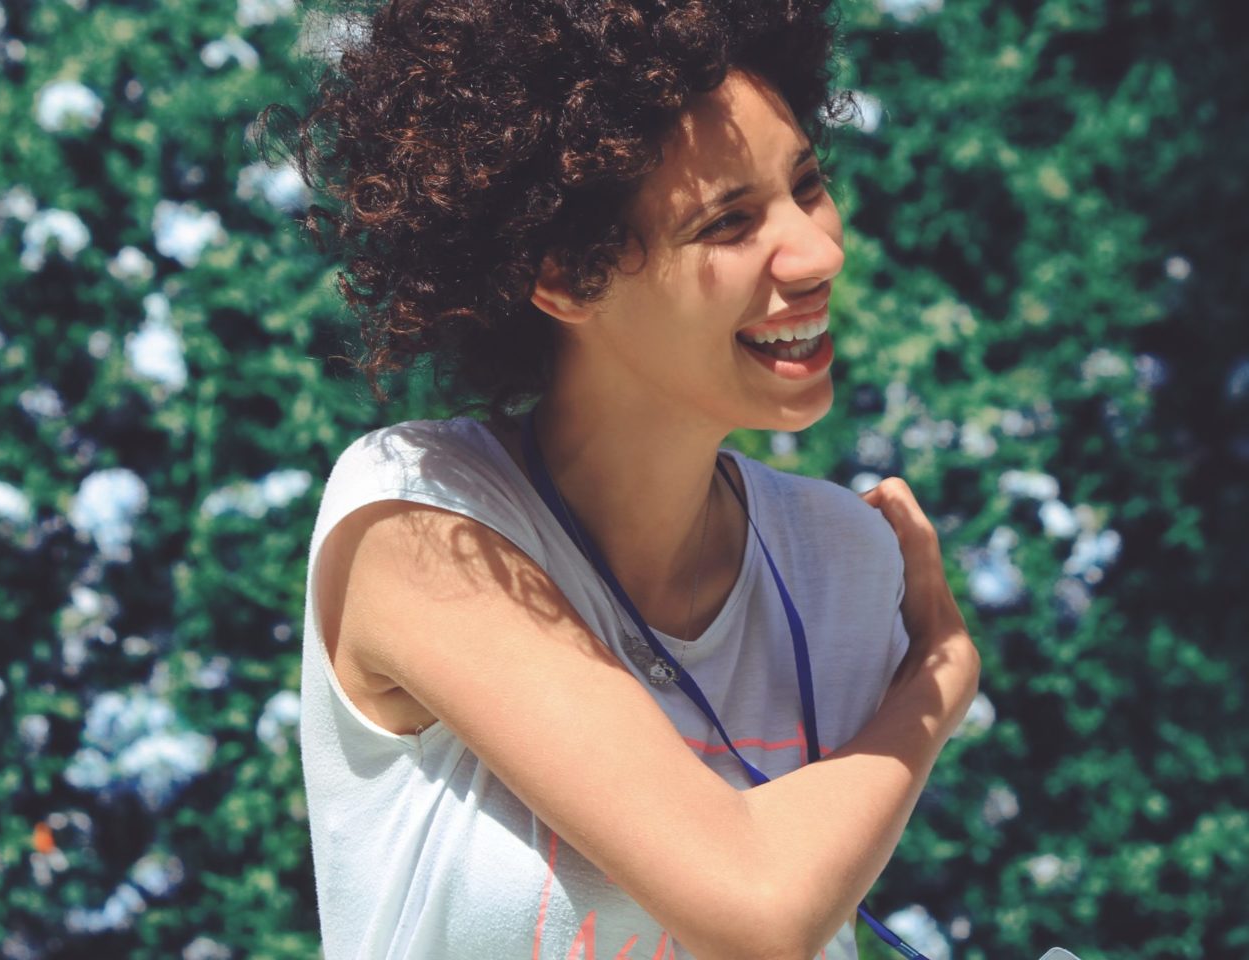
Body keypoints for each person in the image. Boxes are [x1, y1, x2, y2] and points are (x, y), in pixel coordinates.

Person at [269, 1, 981, 956]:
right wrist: (938, 679)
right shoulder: (417, 526)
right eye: (728, 223)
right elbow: (760, 907)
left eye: (806, 186)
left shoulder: (845, 561)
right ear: (567, 276)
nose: (819, 253)